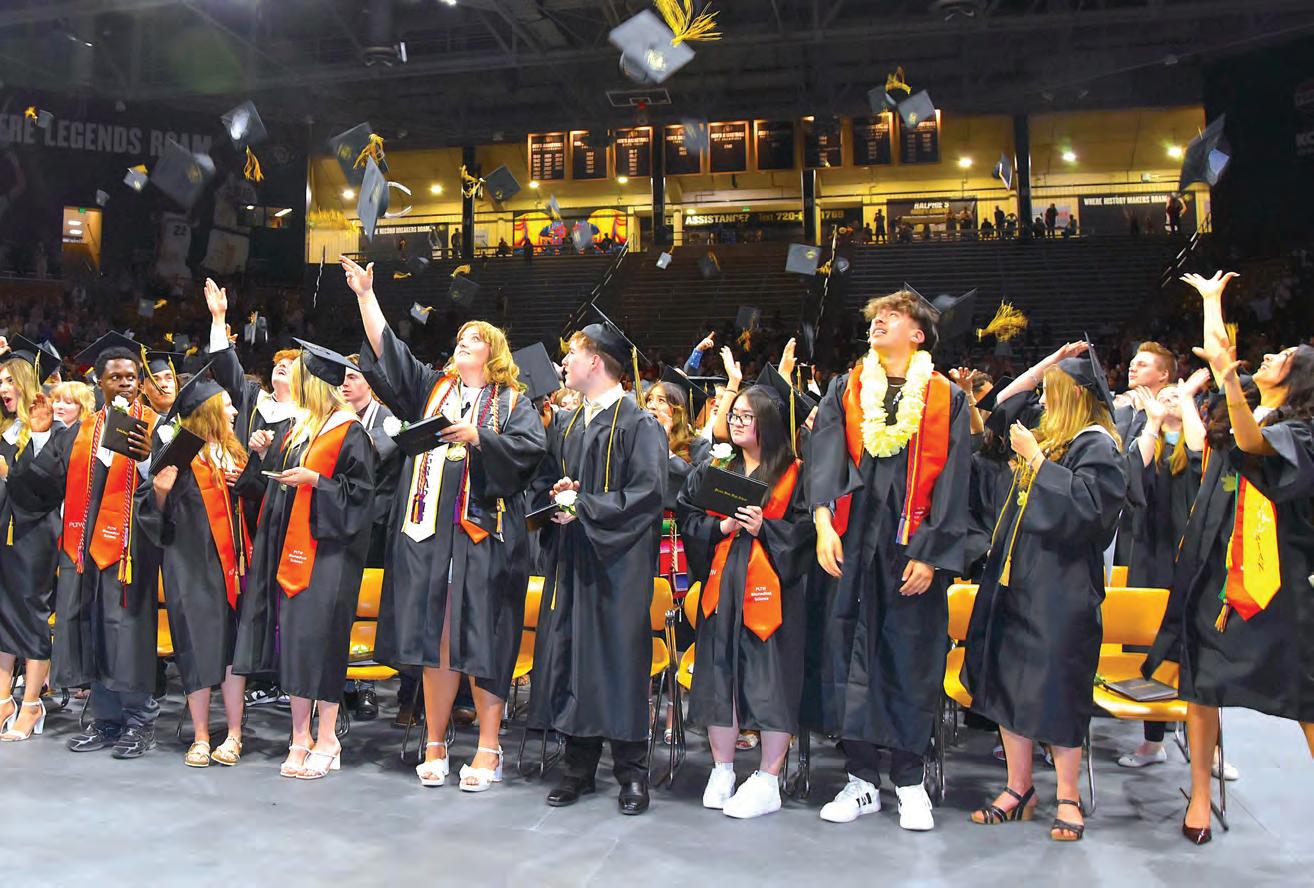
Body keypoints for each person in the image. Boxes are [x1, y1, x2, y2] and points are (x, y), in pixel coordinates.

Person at [341, 255, 546, 791]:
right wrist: (366, 295)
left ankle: (488, 748)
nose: (462, 343)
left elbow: (529, 452)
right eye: (460, 338)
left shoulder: (512, 403)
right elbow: (390, 352)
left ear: (493, 353)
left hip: (484, 541)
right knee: (439, 640)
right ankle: (435, 743)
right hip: (430, 540)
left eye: (473, 339)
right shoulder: (433, 389)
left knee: (484, 642)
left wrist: (479, 437)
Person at [1145, 271, 1314, 844]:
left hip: (1278, 577)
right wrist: (1212, 301)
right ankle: (1199, 795)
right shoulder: (1235, 407)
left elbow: (1252, 443)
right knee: (1200, 685)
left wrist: (1230, 382)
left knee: (1304, 691)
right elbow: (1220, 356)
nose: (1270, 356)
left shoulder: (1300, 431)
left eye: (1283, 356)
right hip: (1215, 568)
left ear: (1299, 378)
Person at [808, 288, 970, 831]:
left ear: (918, 334)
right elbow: (826, 457)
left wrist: (932, 554)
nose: (878, 321)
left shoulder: (946, 398)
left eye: (892, 316)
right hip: (851, 541)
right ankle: (860, 780)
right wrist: (823, 524)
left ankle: (908, 780)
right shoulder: (848, 388)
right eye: (876, 315)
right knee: (848, 651)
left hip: (911, 547)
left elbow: (955, 479)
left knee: (909, 656)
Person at [961, 342, 1129, 843]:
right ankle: (1019, 789)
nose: (1043, 400)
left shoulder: (1096, 445)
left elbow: (1090, 512)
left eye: (1053, 390)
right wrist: (1042, 368)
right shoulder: (1053, 434)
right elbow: (998, 411)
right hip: (1016, 578)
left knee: (1058, 688)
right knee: (1007, 683)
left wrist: (1036, 462)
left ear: (1075, 396)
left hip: (1062, 588)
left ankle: (1068, 796)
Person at [529, 320, 666, 816]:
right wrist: (556, 500)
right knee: (573, 657)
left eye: (572, 354)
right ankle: (578, 768)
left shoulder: (638, 424)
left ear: (595, 362)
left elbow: (648, 493)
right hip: (573, 558)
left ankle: (632, 773)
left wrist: (585, 506)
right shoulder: (567, 424)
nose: (563, 362)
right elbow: (546, 479)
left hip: (619, 565)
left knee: (619, 663)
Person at [6, 332, 160, 758]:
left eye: (131, 377)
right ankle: (106, 720)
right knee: (93, 628)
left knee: (126, 632)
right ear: (100, 383)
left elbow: (168, 491)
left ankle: (140, 722)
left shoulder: (154, 428)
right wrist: (40, 436)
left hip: (129, 552)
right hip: (82, 551)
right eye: (116, 377)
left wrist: (147, 459)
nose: (125, 383)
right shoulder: (80, 432)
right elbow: (43, 484)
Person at [232, 340, 375, 780]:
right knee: (294, 641)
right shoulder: (299, 429)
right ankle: (300, 737)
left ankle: (328, 737)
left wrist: (317, 481)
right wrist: (264, 457)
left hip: (330, 556)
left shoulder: (350, 432)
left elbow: (361, 499)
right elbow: (271, 487)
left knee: (323, 642)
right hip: (292, 553)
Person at [677, 384, 814, 819]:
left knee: (772, 681)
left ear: (768, 422)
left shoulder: (795, 473)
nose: (735, 422)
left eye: (746, 416)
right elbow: (687, 516)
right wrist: (720, 529)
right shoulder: (717, 467)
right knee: (720, 677)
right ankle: (722, 770)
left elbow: (807, 531)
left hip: (773, 594)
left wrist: (764, 529)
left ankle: (769, 779)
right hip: (722, 587)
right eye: (733, 414)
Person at [137, 370, 249, 767]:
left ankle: (234, 734)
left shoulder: (236, 455)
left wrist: (249, 483)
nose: (234, 411)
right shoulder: (180, 456)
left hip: (234, 570)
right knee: (195, 649)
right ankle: (201, 735)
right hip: (190, 570)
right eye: (227, 405)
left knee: (234, 653)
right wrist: (160, 493)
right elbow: (152, 517)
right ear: (208, 411)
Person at [202, 278, 301, 710]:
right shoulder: (253, 401)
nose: (281, 367)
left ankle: (284, 676)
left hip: (283, 517)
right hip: (241, 516)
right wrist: (219, 318)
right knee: (251, 600)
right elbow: (226, 368)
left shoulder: (308, 418)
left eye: (290, 365)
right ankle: (256, 674)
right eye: (278, 363)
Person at [1115, 372, 1209, 769]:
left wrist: (1185, 399)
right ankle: (1153, 742)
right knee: (1149, 645)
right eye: (1166, 396)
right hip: (1152, 555)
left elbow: (1200, 455)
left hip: (1194, 557)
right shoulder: (1149, 441)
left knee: (1199, 651)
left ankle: (1209, 748)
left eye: (1177, 397)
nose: (1169, 400)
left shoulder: (1198, 443)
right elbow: (1132, 475)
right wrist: (1152, 422)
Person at [337, 358, 404, 723]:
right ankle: (341, 680)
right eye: (341, 379)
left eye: (352, 377)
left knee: (368, 606)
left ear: (370, 384)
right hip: (340, 525)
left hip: (376, 527)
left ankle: (366, 685)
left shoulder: (387, 419)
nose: (345, 384)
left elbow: (370, 458)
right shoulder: (336, 418)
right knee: (342, 605)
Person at [0, 340, 60, 741]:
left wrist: (11, 473)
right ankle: (3, 698)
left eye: (9, 380)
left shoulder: (51, 432)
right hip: (4, 532)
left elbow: (49, 488)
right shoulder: (6, 431)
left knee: (31, 614)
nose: (3, 388)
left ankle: (33, 702)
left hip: (35, 535)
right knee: (2, 614)